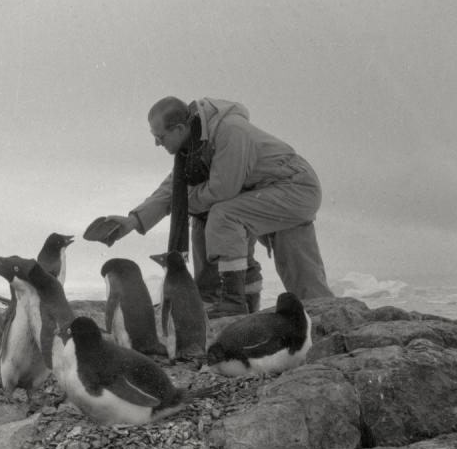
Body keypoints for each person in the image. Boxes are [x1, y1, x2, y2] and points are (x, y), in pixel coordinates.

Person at [102, 96, 333, 317]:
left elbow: (222, 190)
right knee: (309, 292)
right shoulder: (193, 147)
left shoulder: (230, 131)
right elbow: (173, 189)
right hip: (268, 191)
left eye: (160, 137)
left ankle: (232, 301)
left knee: (223, 214)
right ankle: (230, 301)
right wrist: (133, 221)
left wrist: (185, 204)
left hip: (295, 188)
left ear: (180, 129)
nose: (156, 143)